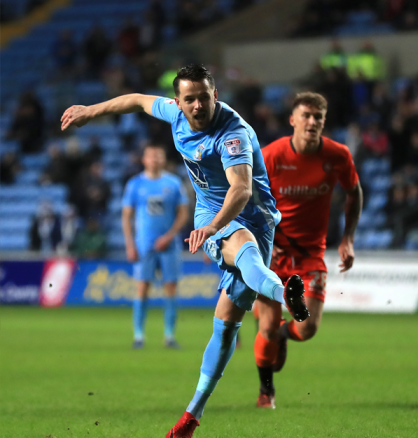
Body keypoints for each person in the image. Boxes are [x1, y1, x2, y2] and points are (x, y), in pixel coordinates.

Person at [60, 64, 310, 438]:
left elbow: (240, 190)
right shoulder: (173, 112)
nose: (196, 105)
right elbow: (136, 100)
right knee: (230, 312)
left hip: (248, 215)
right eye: (189, 99)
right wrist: (88, 112)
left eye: (203, 97)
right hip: (212, 211)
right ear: (178, 101)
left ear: (216, 96)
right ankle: (191, 416)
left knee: (229, 318)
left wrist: (211, 227)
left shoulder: (233, 134)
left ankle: (283, 295)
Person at [254, 92, 362, 409]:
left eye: (318, 118)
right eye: (306, 116)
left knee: (308, 328)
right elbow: (247, 199)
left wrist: (348, 238)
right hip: (272, 253)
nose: (312, 122)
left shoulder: (337, 155)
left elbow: (354, 192)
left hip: (310, 255)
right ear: (293, 120)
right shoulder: (270, 156)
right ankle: (266, 392)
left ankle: (282, 337)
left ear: (323, 123)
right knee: (267, 326)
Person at [122, 144, 190, 349]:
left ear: (164, 159)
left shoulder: (173, 182)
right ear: (144, 160)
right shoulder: (134, 184)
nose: (155, 160)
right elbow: (127, 216)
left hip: (169, 245)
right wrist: (130, 244)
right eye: (151, 156)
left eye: (159, 156)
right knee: (142, 288)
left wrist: (169, 236)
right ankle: (139, 336)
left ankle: (169, 336)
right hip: (144, 245)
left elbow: (183, 213)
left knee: (170, 288)